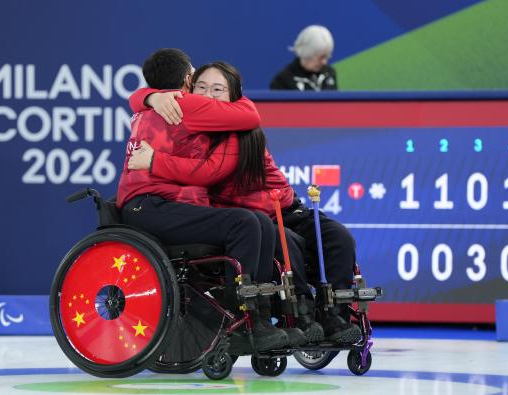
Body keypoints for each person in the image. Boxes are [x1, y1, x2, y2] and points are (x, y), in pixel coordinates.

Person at [130, 61, 361, 344]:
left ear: (233, 95)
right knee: (284, 241)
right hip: (254, 217)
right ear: (189, 88)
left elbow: (213, 164)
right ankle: (302, 314)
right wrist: (150, 96)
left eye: (218, 89)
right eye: (200, 87)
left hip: (284, 209)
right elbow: (206, 171)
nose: (208, 94)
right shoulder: (194, 122)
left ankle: (335, 314)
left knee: (339, 238)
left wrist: (153, 157)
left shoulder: (237, 123)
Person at [117, 48, 289, 351]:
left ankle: (257, 314)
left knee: (258, 221)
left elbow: (137, 97)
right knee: (246, 222)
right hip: (151, 206)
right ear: (187, 78)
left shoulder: (147, 106)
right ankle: (240, 315)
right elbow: (249, 114)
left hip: (148, 205)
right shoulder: (189, 105)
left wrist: (148, 96)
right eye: (195, 75)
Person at [270, 25, 337, 91]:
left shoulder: (329, 73)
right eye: (321, 57)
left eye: (327, 56)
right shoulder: (283, 81)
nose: (324, 62)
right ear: (306, 53)